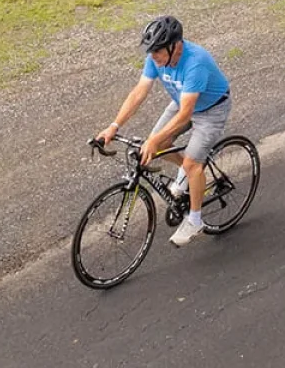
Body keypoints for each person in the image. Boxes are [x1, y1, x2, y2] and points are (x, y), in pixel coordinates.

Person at [95, 15, 232, 247]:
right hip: (182, 102)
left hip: (211, 110)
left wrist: (154, 139)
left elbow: (186, 115)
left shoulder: (195, 62)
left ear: (175, 45)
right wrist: (113, 126)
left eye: (158, 51)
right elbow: (139, 93)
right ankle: (186, 178)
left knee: (192, 164)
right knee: (158, 146)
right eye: (151, 51)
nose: (153, 56)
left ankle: (195, 220)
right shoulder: (156, 58)